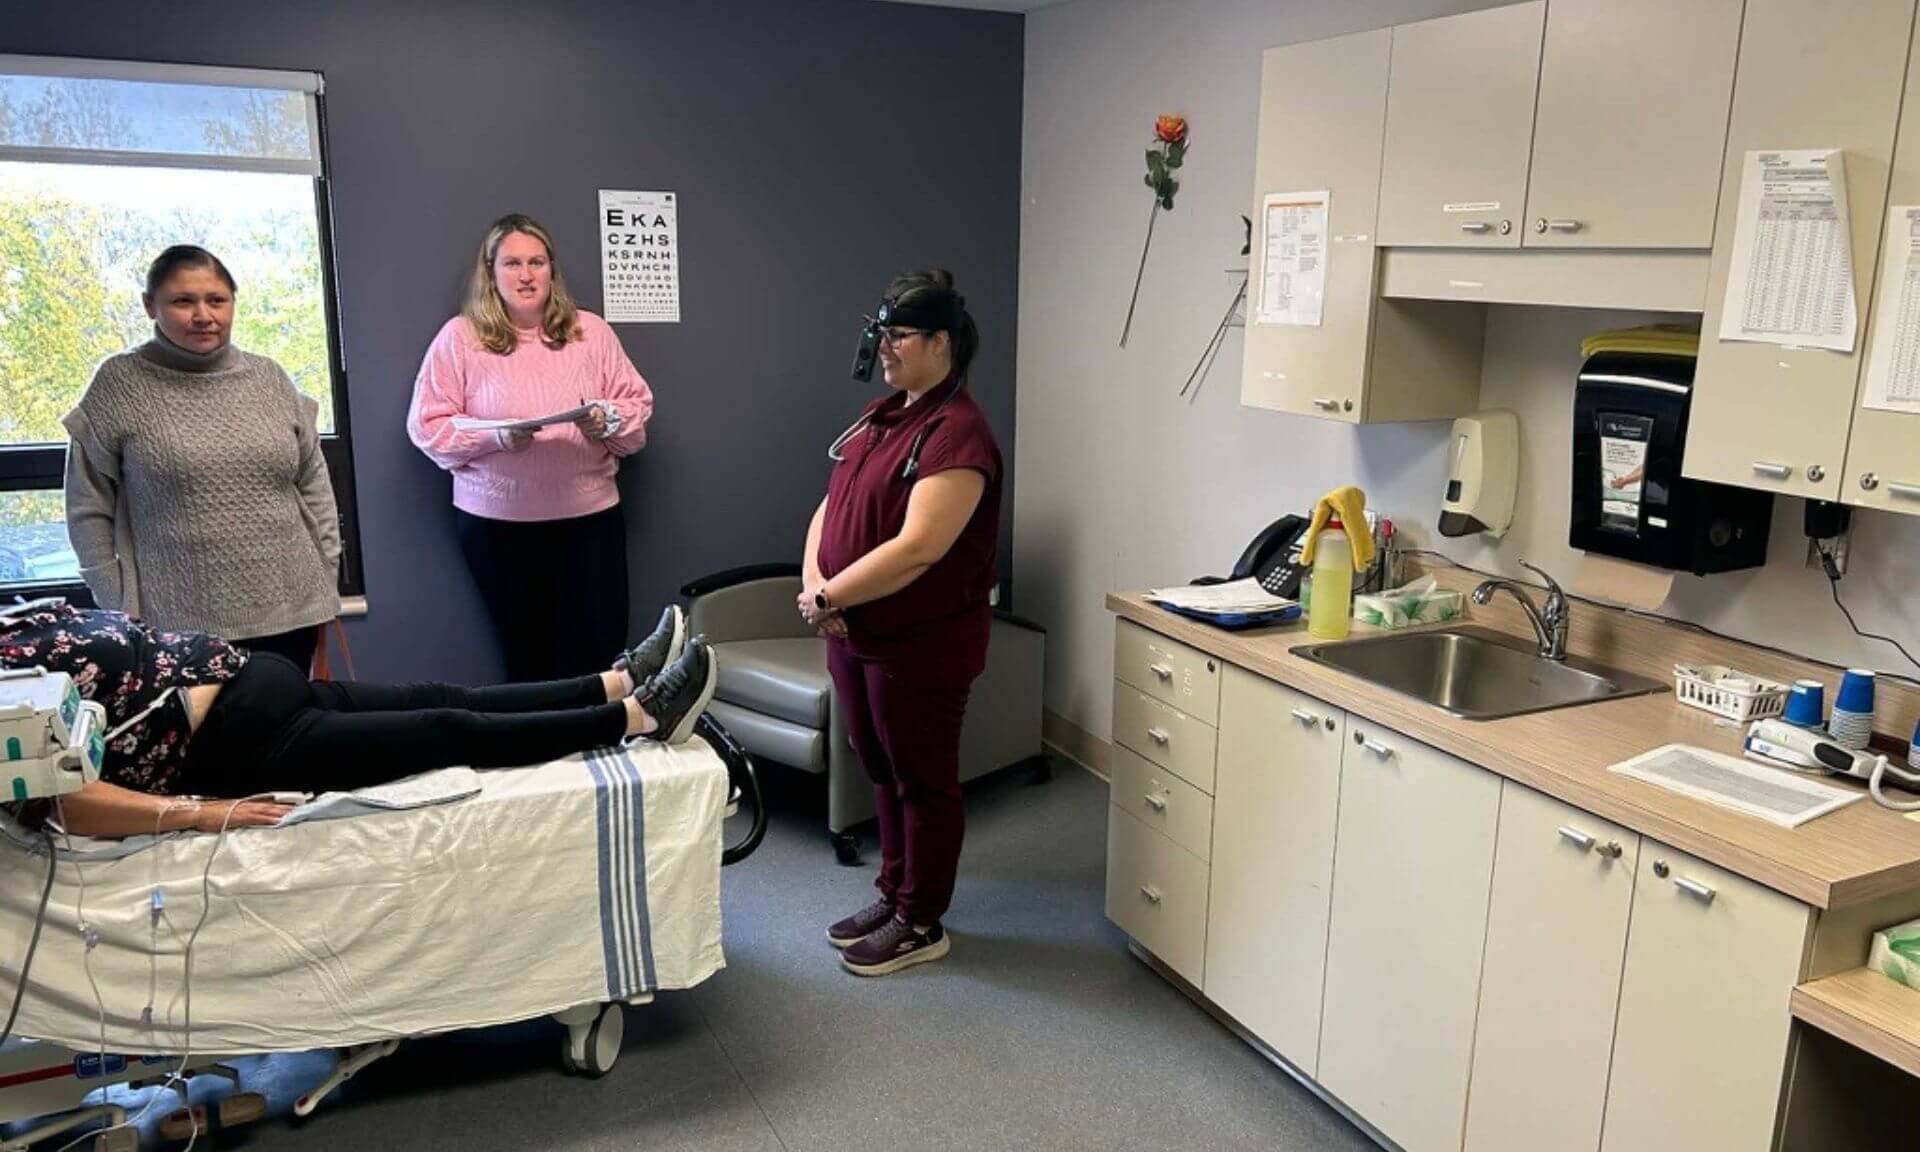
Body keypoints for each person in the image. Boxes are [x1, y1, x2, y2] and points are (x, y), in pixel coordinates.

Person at [1, 599, 712, 840]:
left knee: (442, 694)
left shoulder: (14, 628)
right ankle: (639, 718)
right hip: (242, 749)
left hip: (255, 684)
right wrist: (198, 814)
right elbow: (60, 800)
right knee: (445, 733)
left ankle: (615, 679)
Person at [800, 270, 1002, 977]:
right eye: (878, 332)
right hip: (857, 634)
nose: (882, 346)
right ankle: (893, 893)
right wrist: (816, 583)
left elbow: (919, 548)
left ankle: (922, 919)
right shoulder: (885, 414)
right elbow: (831, 504)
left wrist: (830, 599)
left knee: (922, 779)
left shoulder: (958, 434)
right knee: (881, 769)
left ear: (941, 342)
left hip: (920, 643)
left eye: (898, 335)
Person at [63, 245, 342, 672]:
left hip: (291, 607)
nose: (203, 315)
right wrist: (113, 596)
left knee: (291, 733)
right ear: (149, 306)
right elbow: (87, 507)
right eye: (182, 301)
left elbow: (313, 482)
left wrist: (327, 563)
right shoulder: (118, 384)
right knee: (199, 737)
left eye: (216, 300)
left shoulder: (269, 378)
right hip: (176, 622)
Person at [408, 213, 655, 682]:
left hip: (590, 524)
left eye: (537, 262)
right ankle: (539, 751)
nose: (526, 275)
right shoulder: (460, 337)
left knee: (600, 653)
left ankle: (596, 750)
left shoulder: (591, 332)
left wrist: (606, 420)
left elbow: (637, 412)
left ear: (552, 270)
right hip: (498, 530)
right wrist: (497, 435)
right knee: (527, 657)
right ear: (491, 273)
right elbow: (427, 427)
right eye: (513, 264)